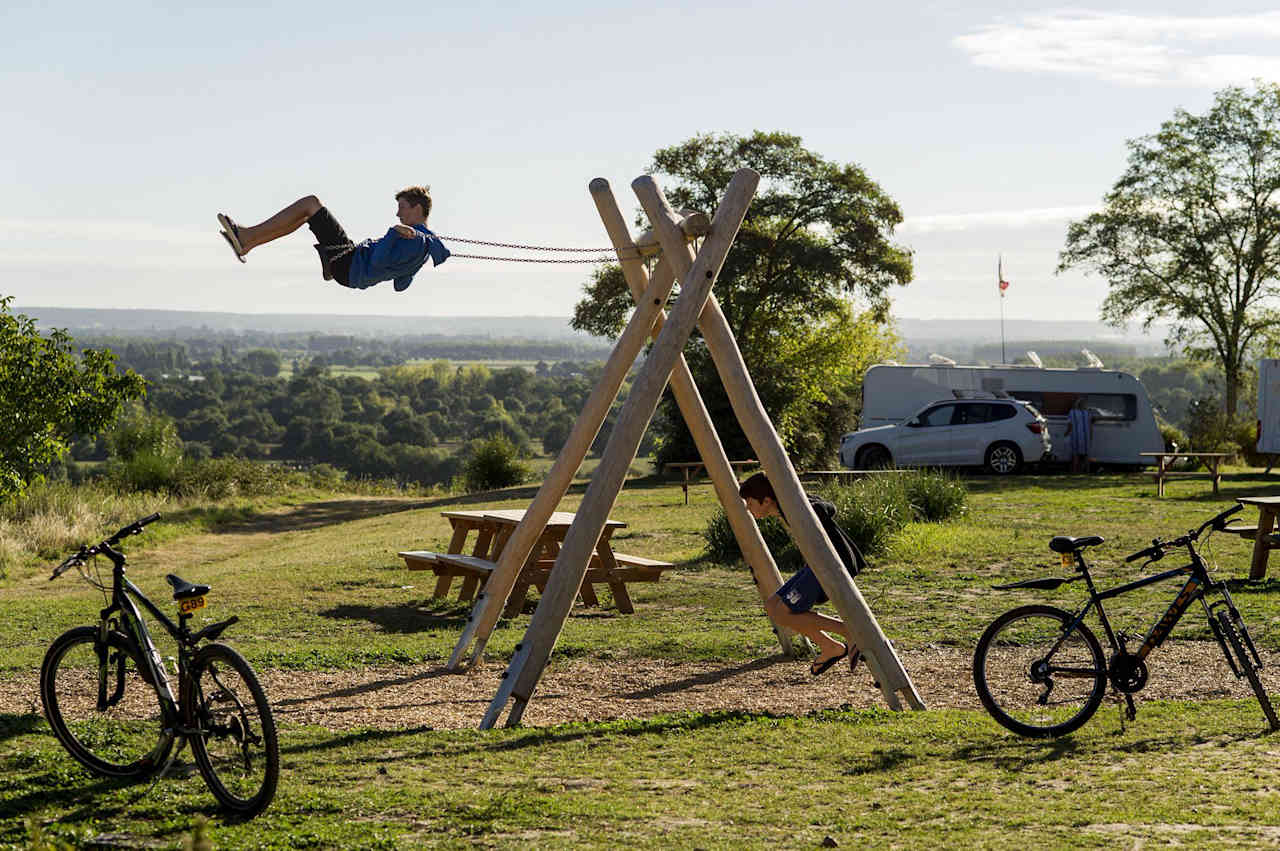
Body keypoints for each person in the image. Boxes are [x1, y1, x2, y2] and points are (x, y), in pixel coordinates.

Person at [738, 472, 868, 677]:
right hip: (816, 566)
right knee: (773, 606)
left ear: (766, 500)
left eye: (750, 502)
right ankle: (831, 647)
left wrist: (807, 509)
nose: (748, 507)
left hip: (831, 565)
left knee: (782, 611)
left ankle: (850, 632)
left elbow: (826, 508)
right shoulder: (787, 508)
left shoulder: (794, 509)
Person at [216, 187, 449, 292]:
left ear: (417, 208)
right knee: (310, 215)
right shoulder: (426, 246)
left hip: (348, 262)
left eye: (402, 208)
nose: (398, 214)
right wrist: (407, 267)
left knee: (310, 203)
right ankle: (250, 242)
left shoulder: (412, 239)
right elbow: (401, 285)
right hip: (350, 269)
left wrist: (392, 233)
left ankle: (248, 238)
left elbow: (378, 262)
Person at [1065, 397, 1094, 473]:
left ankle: (1075, 471)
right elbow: (1090, 426)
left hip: (1076, 436)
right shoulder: (1087, 413)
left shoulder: (1072, 413)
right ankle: (1087, 470)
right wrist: (1091, 436)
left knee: (1075, 455)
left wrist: (1066, 433)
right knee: (1086, 455)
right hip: (1086, 436)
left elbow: (1070, 425)